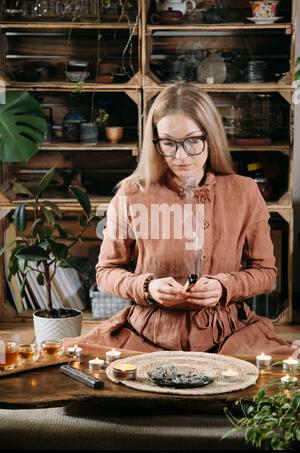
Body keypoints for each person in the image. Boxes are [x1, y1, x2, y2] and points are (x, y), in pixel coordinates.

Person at [64, 82, 293, 355]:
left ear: (211, 137)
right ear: (155, 141)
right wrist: (147, 286)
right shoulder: (131, 193)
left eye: (193, 141)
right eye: (168, 143)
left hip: (228, 335)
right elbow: (106, 272)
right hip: (146, 334)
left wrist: (224, 286)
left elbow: (265, 273)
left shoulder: (245, 191)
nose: (181, 156)